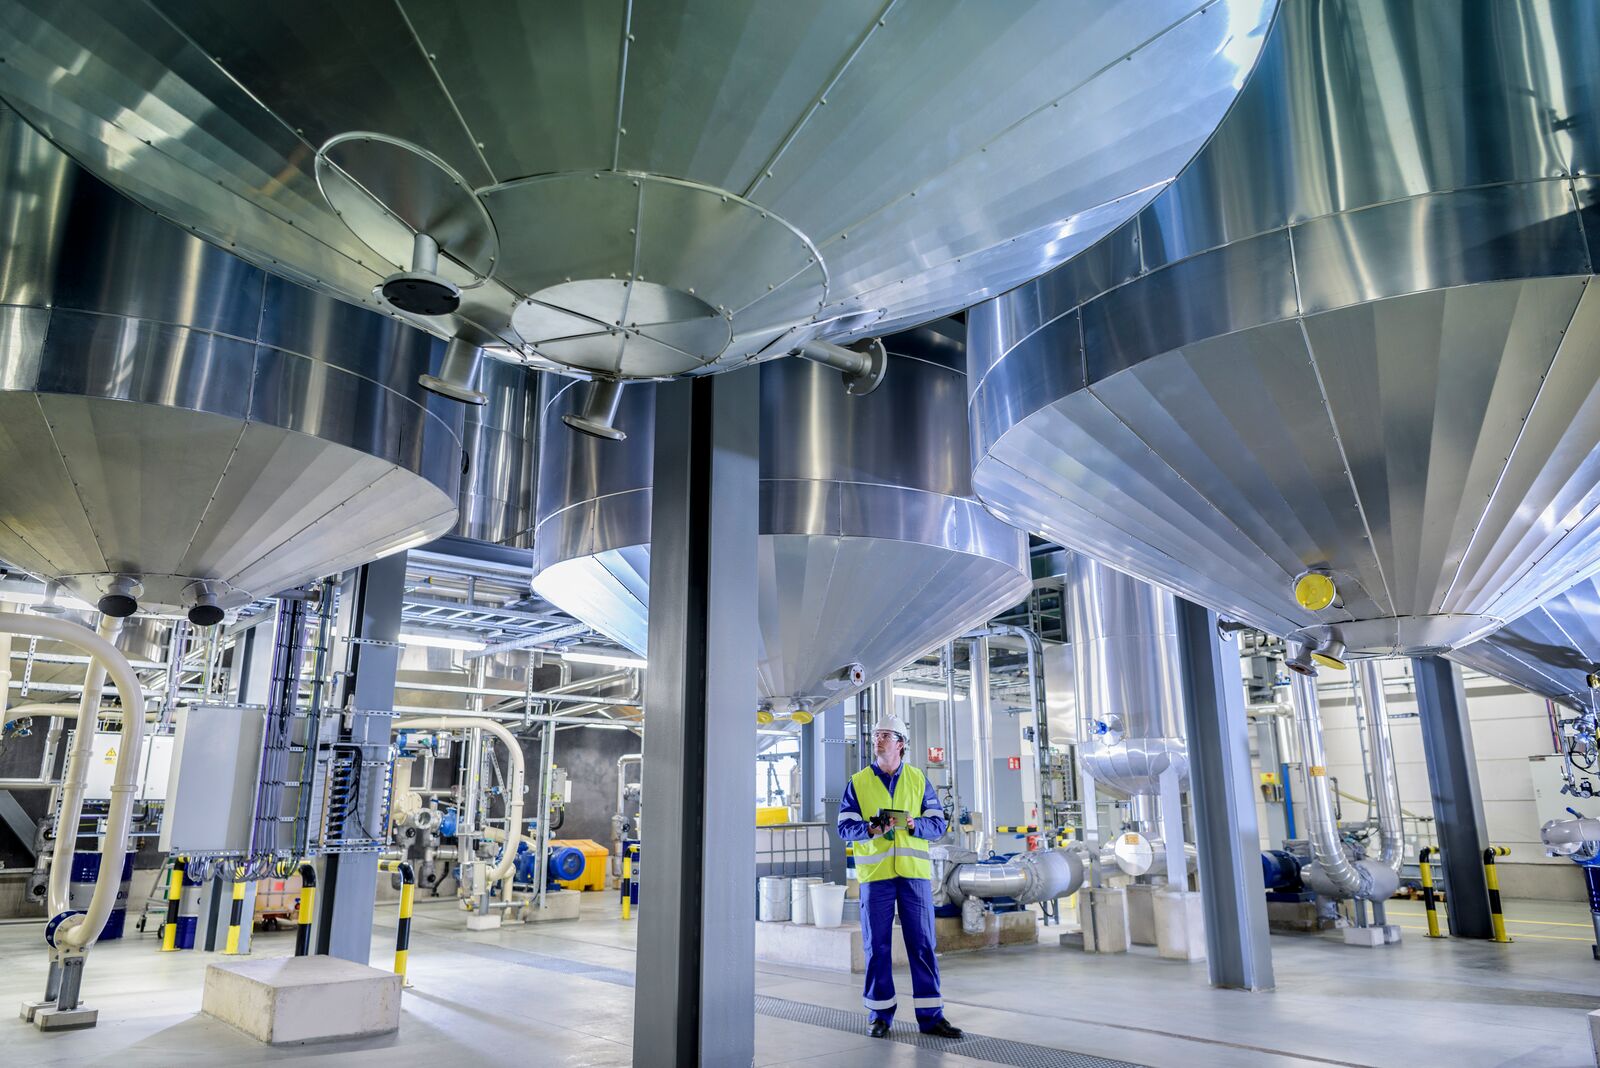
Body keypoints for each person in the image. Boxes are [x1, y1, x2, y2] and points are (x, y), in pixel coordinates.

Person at [835, 710, 964, 1040]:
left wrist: (912, 824)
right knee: (876, 947)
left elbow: (937, 824)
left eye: (885, 735)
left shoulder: (918, 780)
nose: (878, 740)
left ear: (901, 743)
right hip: (875, 876)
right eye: (876, 735)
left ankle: (931, 1017)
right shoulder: (858, 782)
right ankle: (879, 1015)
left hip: (913, 877)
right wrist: (872, 828)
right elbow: (844, 827)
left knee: (922, 945)